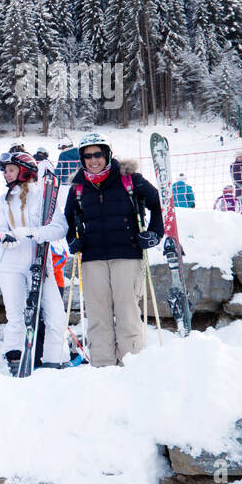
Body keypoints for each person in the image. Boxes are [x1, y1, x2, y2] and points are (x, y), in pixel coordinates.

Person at [63, 132, 164, 368]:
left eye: (98, 154)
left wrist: (154, 234)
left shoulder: (130, 179)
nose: (93, 160)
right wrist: (72, 241)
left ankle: (132, 365)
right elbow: (68, 222)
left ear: (107, 154)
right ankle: (102, 366)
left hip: (127, 254)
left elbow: (159, 205)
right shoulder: (78, 187)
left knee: (127, 312)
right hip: (92, 258)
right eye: (87, 156)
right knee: (98, 315)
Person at [0, 152, 69, 373]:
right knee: (16, 316)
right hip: (11, 265)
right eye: (4, 170)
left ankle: (53, 361)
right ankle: (15, 361)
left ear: (24, 170)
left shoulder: (43, 197)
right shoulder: (1, 202)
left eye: (10, 169)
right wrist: (5, 239)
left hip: (40, 264)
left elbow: (59, 228)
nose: (6, 174)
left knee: (56, 315)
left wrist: (30, 232)